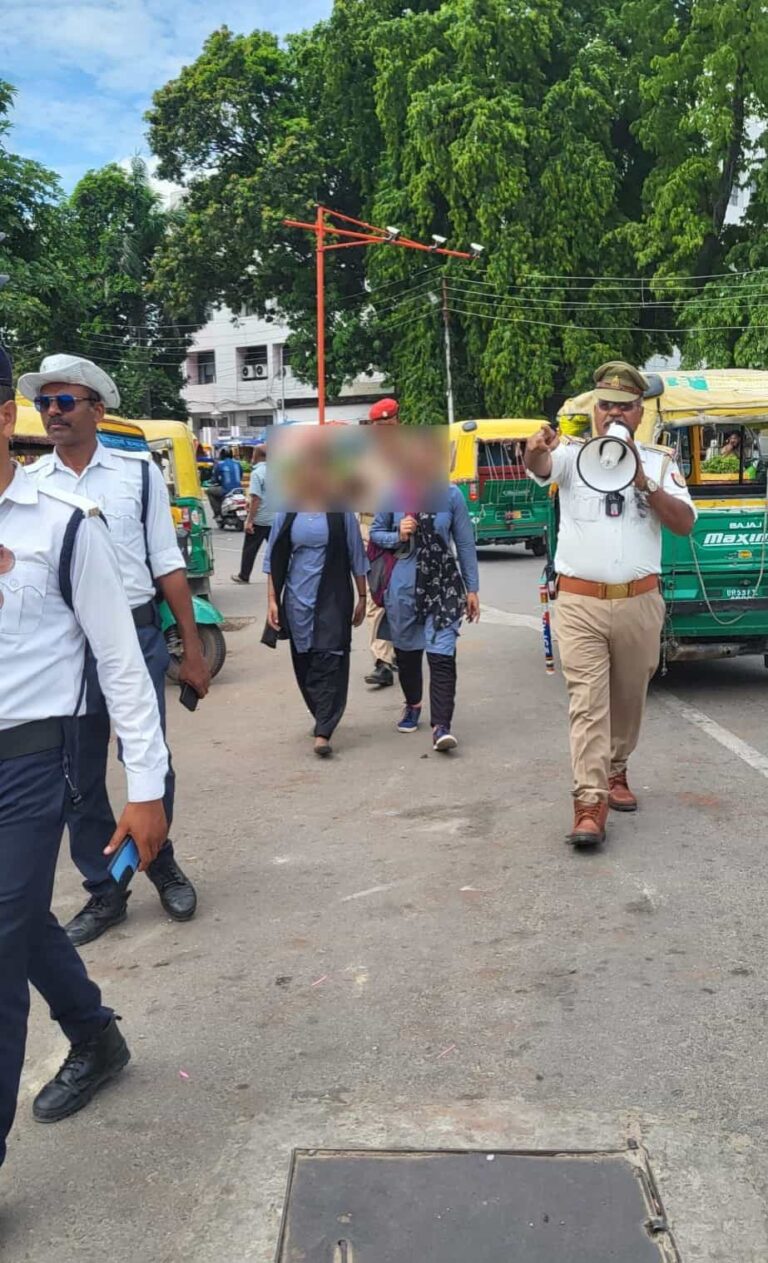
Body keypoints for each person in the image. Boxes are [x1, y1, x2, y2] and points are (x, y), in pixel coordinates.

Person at [0, 346, 168, 1165]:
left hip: (34, 759)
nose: (58, 408)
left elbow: (122, 663)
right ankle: (95, 1035)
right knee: (20, 919)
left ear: (6, 417)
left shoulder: (65, 525)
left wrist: (147, 786)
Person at [21, 354, 208, 944]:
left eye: (64, 401)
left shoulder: (138, 474)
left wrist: (193, 647)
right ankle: (106, 890)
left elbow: (167, 562)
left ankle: (159, 860)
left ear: (96, 409)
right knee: (76, 769)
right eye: (44, 402)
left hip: (135, 632)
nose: (52, 412)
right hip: (65, 645)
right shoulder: (32, 487)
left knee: (146, 754)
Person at [524, 360, 696, 847]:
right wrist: (533, 450)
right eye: (606, 406)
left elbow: (684, 523)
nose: (613, 414)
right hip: (579, 603)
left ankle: (617, 767)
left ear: (639, 412)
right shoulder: (573, 454)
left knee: (628, 698)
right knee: (587, 704)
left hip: (640, 602)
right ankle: (589, 803)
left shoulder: (660, 461)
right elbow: (540, 466)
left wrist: (644, 482)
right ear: (594, 410)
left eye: (624, 406)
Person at [369, 480, 480, 753]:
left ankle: (441, 726)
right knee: (407, 653)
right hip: (404, 587)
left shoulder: (452, 495)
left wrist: (472, 588)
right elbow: (375, 533)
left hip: (443, 585)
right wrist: (398, 533)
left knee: (441, 654)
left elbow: (465, 543)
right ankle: (413, 704)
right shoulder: (393, 492)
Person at [264, 512, 368, 756]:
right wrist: (272, 600)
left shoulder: (341, 513)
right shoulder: (287, 512)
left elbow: (356, 555)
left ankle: (324, 731)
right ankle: (322, 713)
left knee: (330, 657)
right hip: (297, 599)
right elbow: (274, 556)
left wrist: (362, 596)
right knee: (305, 662)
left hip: (333, 597)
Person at [361, 397, 400, 688]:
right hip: (370, 530)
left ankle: (401, 649)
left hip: (405, 533)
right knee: (376, 596)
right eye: (377, 427)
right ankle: (382, 661)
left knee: (402, 596)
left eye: (386, 425)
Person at [232, 443, 273, 584]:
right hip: (276, 518)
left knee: (250, 548)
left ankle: (244, 575)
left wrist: (249, 520)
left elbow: (256, 498)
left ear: (257, 456)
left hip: (260, 519)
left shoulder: (257, 473)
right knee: (278, 548)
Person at [207, 446, 243, 521]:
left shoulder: (220, 464)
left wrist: (213, 481)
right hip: (239, 490)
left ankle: (217, 514)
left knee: (209, 491)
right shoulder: (238, 464)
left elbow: (215, 479)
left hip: (226, 490)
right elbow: (240, 476)